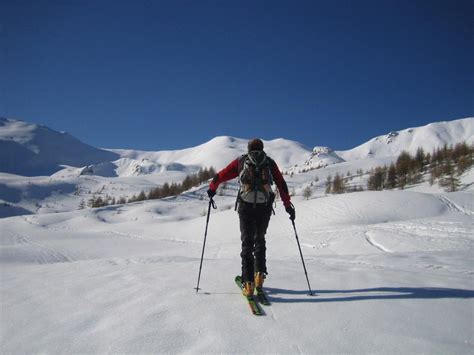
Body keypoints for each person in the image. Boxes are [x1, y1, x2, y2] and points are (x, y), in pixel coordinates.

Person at [207, 138, 295, 297]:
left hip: (246, 207)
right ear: (262, 149)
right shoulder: (269, 163)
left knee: (247, 243)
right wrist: (288, 205)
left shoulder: (241, 161)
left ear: (248, 149)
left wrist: (212, 190)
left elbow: (219, 176)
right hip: (265, 207)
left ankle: (248, 283)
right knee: (260, 239)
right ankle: (259, 276)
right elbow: (281, 184)